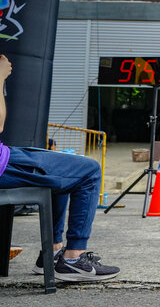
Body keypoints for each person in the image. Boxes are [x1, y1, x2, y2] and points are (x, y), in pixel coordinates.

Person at [0, 55, 119, 282]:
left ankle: (52, 253)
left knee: (65, 167)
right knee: (90, 170)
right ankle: (74, 258)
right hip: (3, 165)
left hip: (6, 157)